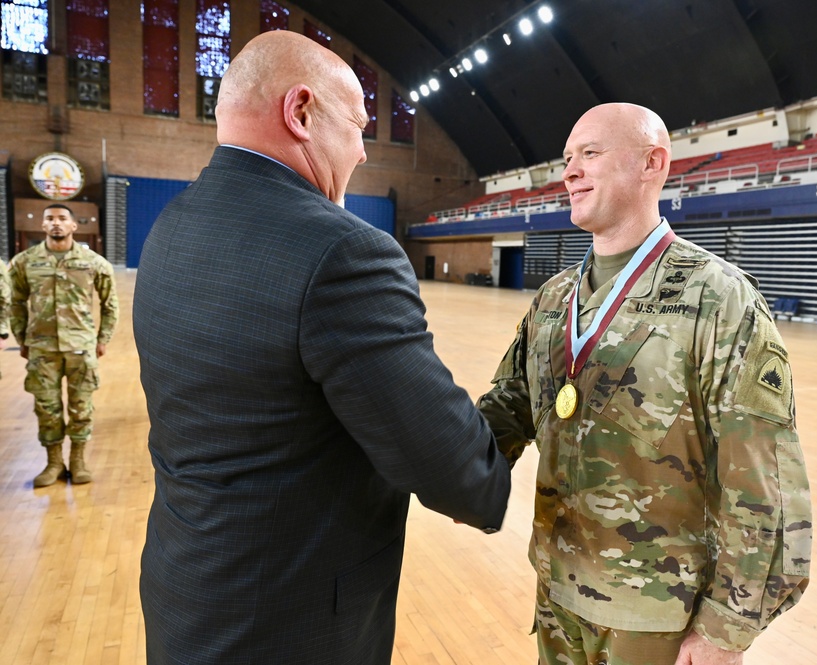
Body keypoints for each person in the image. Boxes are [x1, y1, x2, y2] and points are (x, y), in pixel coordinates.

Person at [132, 30, 510, 665]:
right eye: (358, 126)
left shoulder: (173, 226)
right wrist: (523, 407)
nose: (362, 152)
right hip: (289, 625)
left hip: (186, 594)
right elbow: (456, 472)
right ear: (300, 112)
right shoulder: (340, 252)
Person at [477, 103, 812, 665]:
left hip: (659, 616)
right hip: (558, 594)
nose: (570, 171)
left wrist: (725, 630)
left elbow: (761, 479)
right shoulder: (555, 299)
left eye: (590, 154)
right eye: (566, 159)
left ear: (652, 163)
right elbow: (502, 416)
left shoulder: (719, 298)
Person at [8, 203, 118, 487]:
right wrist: (21, 338)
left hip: (81, 347)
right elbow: (15, 302)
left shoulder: (94, 263)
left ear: (73, 226)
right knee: (47, 408)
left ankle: (78, 461)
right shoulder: (24, 262)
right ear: (42, 225)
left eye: (62, 218)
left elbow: (110, 304)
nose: (56, 223)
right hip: (41, 349)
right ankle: (54, 463)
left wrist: (102, 338)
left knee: (82, 408)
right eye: (50, 219)